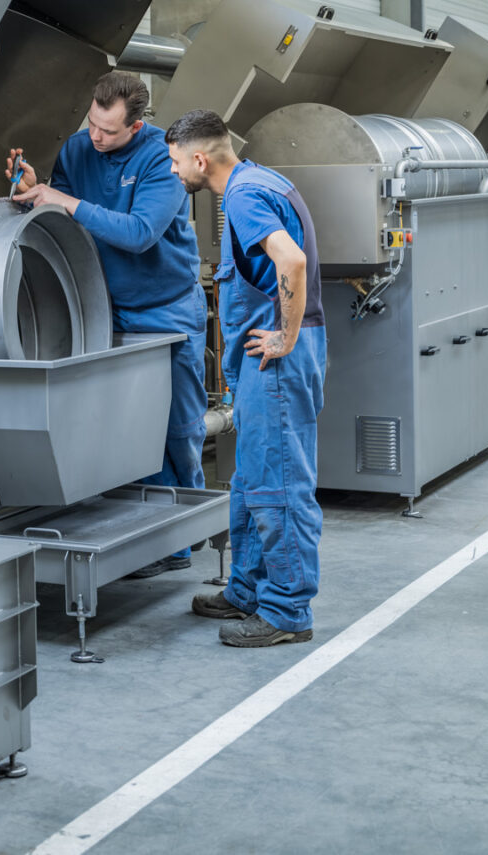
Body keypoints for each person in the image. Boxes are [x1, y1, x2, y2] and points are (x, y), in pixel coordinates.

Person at [9, 70, 207, 578]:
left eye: (109, 131)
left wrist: (66, 200)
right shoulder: (77, 150)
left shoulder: (161, 160)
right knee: (128, 426)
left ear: (137, 126)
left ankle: (188, 530)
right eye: (92, 124)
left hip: (165, 308)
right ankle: (152, 537)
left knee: (177, 427)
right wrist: (38, 190)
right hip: (104, 306)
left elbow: (140, 233)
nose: (96, 137)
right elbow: (64, 219)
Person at [164, 109, 327, 648]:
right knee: (250, 482)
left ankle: (286, 612)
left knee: (277, 485)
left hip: (274, 363)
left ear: (199, 158)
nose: (173, 173)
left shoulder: (242, 195)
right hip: (266, 364)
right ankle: (248, 589)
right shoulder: (261, 178)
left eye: (174, 162)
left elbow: (292, 262)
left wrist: (284, 334)